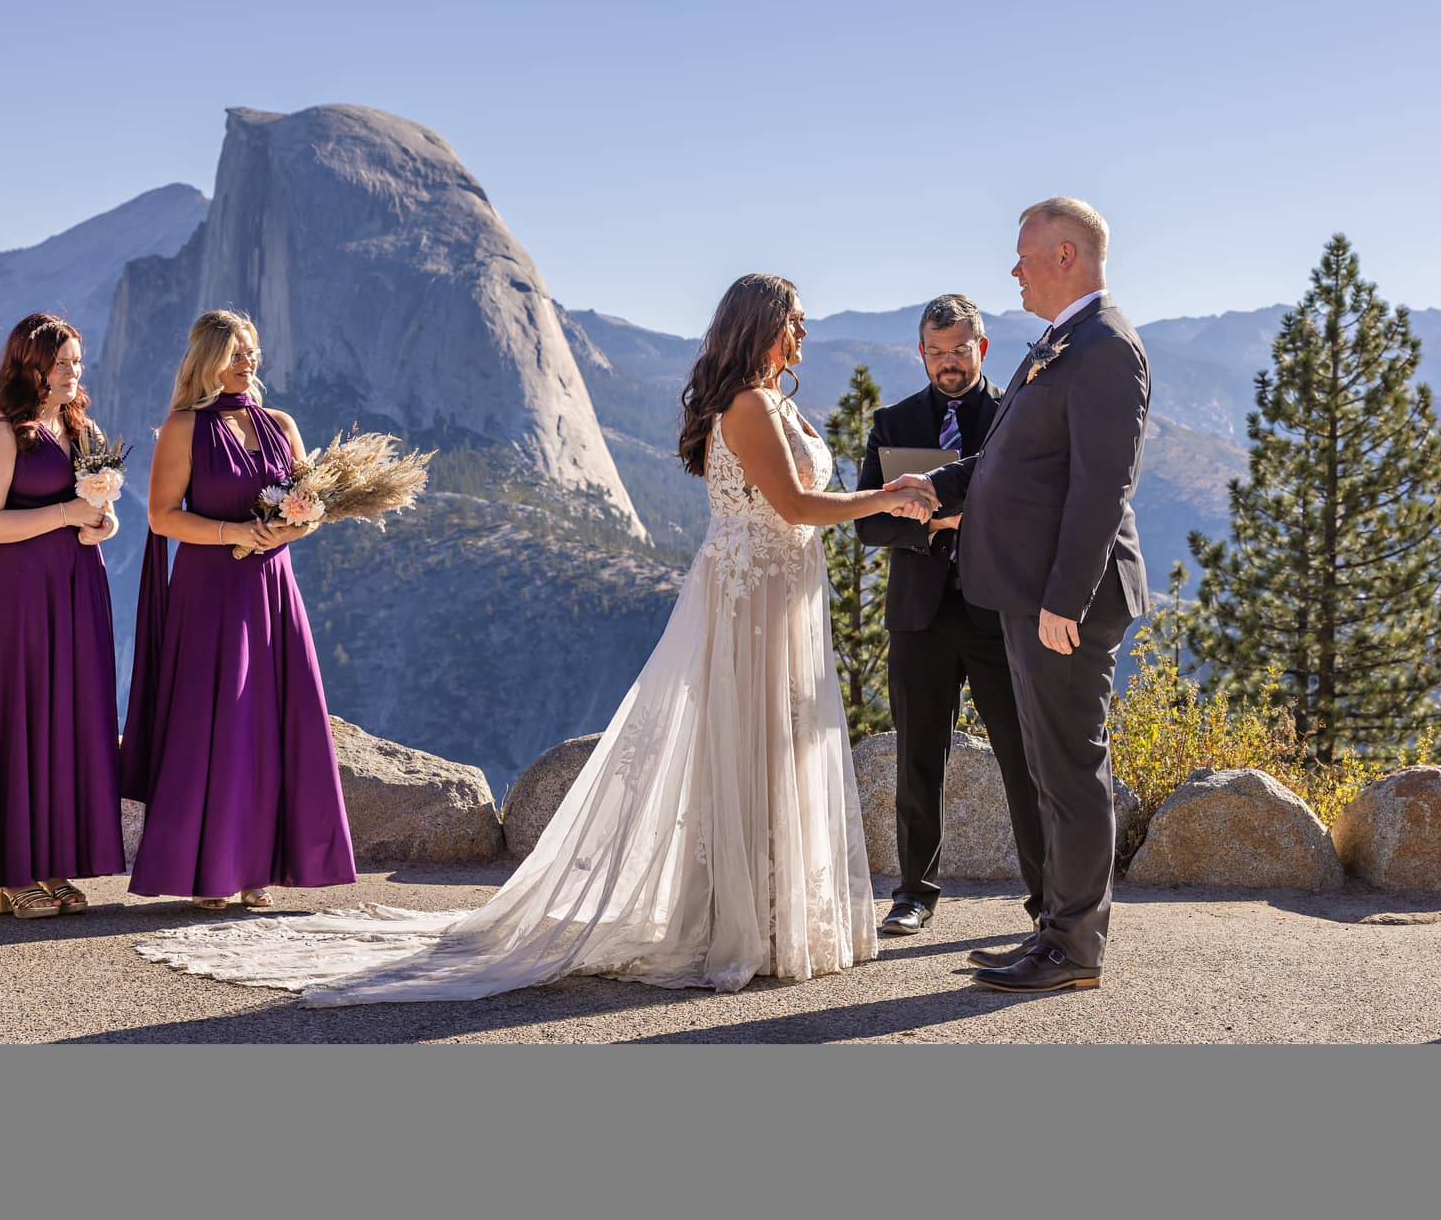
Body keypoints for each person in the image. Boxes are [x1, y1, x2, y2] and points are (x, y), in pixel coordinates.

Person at [130, 275, 928, 1003]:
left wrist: (288, 527)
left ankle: (766, 914)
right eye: (795, 321)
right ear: (763, 326)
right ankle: (742, 920)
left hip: (774, 592)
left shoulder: (771, 402)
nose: (804, 333)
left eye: (253, 352)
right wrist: (885, 499)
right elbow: (794, 506)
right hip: (752, 595)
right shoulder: (750, 407)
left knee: (769, 746)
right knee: (748, 747)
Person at [891, 197, 1150, 993]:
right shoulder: (1062, 341)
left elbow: (1103, 488)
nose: (1013, 270)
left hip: (1062, 600)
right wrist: (935, 486)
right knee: (1050, 772)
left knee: (1070, 773)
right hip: (1030, 594)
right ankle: (1056, 934)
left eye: (1024, 255)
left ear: (1066, 255)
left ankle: (1073, 949)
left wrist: (1065, 600)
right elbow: (1011, 461)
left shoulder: (1106, 346)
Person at [123, 310, 356, 908]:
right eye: (234, 353)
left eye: (251, 351)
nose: (247, 361)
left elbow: (311, 507)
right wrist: (235, 533)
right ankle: (209, 873)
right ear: (208, 360)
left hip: (273, 587)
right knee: (215, 722)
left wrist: (288, 530)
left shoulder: (281, 424)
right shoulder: (183, 428)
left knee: (269, 723)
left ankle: (256, 870)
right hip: (210, 590)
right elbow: (162, 517)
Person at [855, 293, 1040, 938]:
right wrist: (932, 522)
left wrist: (964, 514)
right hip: (920, 617)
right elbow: (869, 523)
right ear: (921, 353)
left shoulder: (1014, 415)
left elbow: (1032, 507)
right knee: (917, 760)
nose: (948, 363)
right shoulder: (894, 422)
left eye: (959, 350)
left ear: (981, 348)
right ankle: (913, 895)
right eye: (936, 352)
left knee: (1022, 758)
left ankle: (1047, 898)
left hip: (997, 614)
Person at [0, 314, 125, 917]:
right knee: (22, 715)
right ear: (30, 366)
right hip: (21, 593)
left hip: (79, 588)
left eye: (76, 361)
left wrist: (105, 523)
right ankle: (12, 871)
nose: (72, 372)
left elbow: (101, 511)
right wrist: (64, 516)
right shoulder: (3, 432)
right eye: (60, 363)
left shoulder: (84, 428)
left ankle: (54, 864)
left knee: (67, 719)